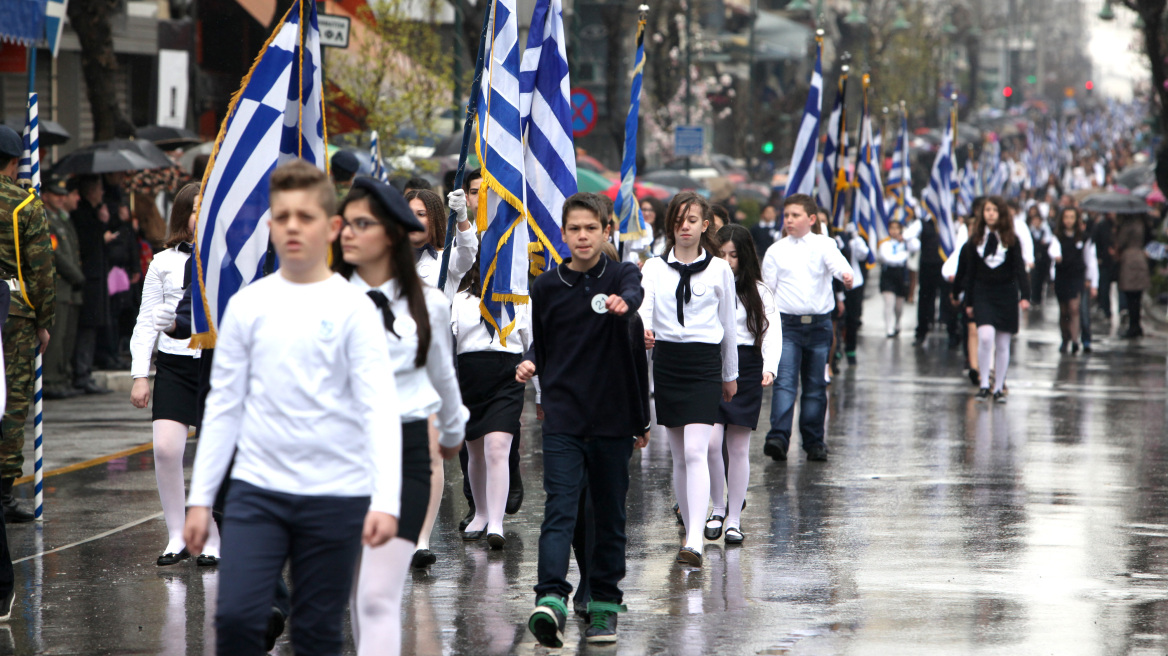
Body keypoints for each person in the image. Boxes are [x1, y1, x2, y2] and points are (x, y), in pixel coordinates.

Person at [183, 160, 401, 655]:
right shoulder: (246, 306)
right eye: (283, 217)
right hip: (258, 493)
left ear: (332, 226)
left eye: (306, 216)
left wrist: (385, 500)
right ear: (269, 226)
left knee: (317, 633)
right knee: (237, 618)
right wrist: (200, 498)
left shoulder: (355, 309)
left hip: (335, 495)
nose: (294, 227)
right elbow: (223, 409)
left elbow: (378, 409)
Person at [335, 177, 467, 656]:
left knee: (377, 595)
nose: (348, 233)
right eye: (345, 223)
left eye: (363, 224)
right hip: (342, 455)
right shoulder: (327, 298)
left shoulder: (427, 299)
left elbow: (444, 376)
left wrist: (452, 430)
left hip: (406, 449)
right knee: (354, 589)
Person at [516, 192, 648, 646]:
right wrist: (531, 361)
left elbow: (634, 292)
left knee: (608, 516)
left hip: (612, 419)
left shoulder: (623, 275)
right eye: (574, 229)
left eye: (591, 228)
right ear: (564, 234)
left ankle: (604, 607)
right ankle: (550, 598)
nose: (583, 236)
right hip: (564, 418)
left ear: (606, 231)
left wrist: (624, 303)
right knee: (560, 508)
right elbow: (546, 343)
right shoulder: (546, 286)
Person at [639, 191, 737, 568]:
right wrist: (644, 330)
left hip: (703, 365)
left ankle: (695, 539)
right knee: (679, 455)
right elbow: (644, 308)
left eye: (692, 220)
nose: (685, 227)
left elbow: (728, 325)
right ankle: (688, 527)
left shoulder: (719, 270)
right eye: (679, 220)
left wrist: (730, 375)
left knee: (697, 450)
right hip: (667, 362)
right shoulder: (653, 267)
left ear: (705, 225)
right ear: (670, 225)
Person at [128, 182, 221, 566]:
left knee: (213, 456)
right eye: (196, 209)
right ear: (184, 215)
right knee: (166, 450)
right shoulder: (164, 261)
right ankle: (175, 534)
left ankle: (213, 537)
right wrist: (139, 373)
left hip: (216, 364)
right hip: (174, 364)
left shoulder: (226, 262)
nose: (202, 216)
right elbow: (146, 321)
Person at [760, 194, 853, 463]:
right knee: (786, 383)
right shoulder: (776, 250)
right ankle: (778, 437)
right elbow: (767, 291)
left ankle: (813, 442)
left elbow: (840, 266)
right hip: (786, 326)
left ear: (811, 219)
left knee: (814, 385)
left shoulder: (825, 244)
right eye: (786, 215)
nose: (789, 220)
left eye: (795, 215)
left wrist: (846, 277)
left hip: (819, 326)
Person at [705, 224, 779, 546]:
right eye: (722, 254)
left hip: (747, 367)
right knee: (709, 443)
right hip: (711, 365)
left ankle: (734, 517)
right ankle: (717, 507)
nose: (727, 260)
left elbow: (771, 329)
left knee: (737, 447)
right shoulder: (704, 285)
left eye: (733, 255)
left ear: (744, 257)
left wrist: (770, 367)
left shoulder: (759, 291)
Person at [451, 253, 531, 549]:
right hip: (470, 380)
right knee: (475, 453)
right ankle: (481, 512)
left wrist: (543, 393)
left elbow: (532, 344)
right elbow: (449, 341)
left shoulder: (520, 297)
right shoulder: (459, 299)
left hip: (506, 379)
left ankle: (496, 522)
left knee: (496, 448)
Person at [0, 125, 55, 523]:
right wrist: (43, 320)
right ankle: (2, 494)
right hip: (13, 313)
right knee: (12, 402)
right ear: (15, 161)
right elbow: (41, 272)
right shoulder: (25, 206)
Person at [958, 196, 1030, 402]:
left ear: (1001, 214)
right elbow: (970, 273)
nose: (990, 214)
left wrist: (1025, 295)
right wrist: (968, 301)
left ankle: (998, 387)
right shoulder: (975, 240)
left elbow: (1019, 269)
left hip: (1006, 293)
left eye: (994, 210)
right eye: (987, 210)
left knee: (1003, 342)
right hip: (983, 293)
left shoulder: (1012, 240)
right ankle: (983, 383)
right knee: (986, 336)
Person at [40, 176, 85, 400]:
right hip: (59, 283)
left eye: (62, 195)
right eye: (55, 194)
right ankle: (50, 380)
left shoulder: (60, 218)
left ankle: (61, 377)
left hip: (68, 286)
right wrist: (76, 275)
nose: (61, 198)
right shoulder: (46, 219)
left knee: (65, 337)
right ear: (45, 195)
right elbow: (55, 253)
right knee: (56, 337)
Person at [71, 175, 113, 395]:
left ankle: (83, 371)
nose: (102, 193)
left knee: (92, 327)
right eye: (98, 189)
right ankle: (81, 372)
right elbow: (87, 244)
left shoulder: (91, 213)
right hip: (88, 279)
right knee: (86, 327)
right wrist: (101, 224)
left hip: (96, 277)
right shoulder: (83, 214)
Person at [408, 188, 478, 300]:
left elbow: (467, 253)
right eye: (408, 213)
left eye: (421, 214)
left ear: (435, 219)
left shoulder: (447, 257)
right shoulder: (390, 257)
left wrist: (462, 216)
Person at [1048, 207, 1098, 354]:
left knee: (1074, 308)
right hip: (1062, 276)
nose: (1069, 220)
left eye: (1072, 217)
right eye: (1066, 217)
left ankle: (1076, 341)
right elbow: (1053, 250)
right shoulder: (1057, 236)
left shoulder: (1084, 237)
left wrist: (1092, 280)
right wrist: (1057, 257)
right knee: (1064, 311)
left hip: (1077, 277)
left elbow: (1090, 259)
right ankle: (1065, 338)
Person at [878, 220, 918, 338]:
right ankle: (888, 328)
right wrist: (902, 256)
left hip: (901, 275)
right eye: (892, 228)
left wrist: (906, 237)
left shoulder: (905, 243)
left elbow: (916, 246)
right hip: (888, 274)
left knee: (899, 305)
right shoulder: (885, 244)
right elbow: (887, 258)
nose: (894, 231)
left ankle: (897, 323)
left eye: (897, 228)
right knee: (889, 302)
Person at [1116, 213, 1151, 338]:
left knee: (1131, 297)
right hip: (1141, 258)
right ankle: (1136, 324)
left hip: (1129, 260)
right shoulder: (1143, 224)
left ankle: (1133, 326)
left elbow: (1121, 241)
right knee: (1138, 296)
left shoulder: (1128, 226)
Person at [839, 223, 869, 366]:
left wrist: (855, 237)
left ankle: (851, 349)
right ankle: (837, 348)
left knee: (852, 318)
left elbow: (864, 254)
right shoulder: (835, 238)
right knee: (839, 319)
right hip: (837, 283)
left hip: (854, 283)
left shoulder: (855, 238)